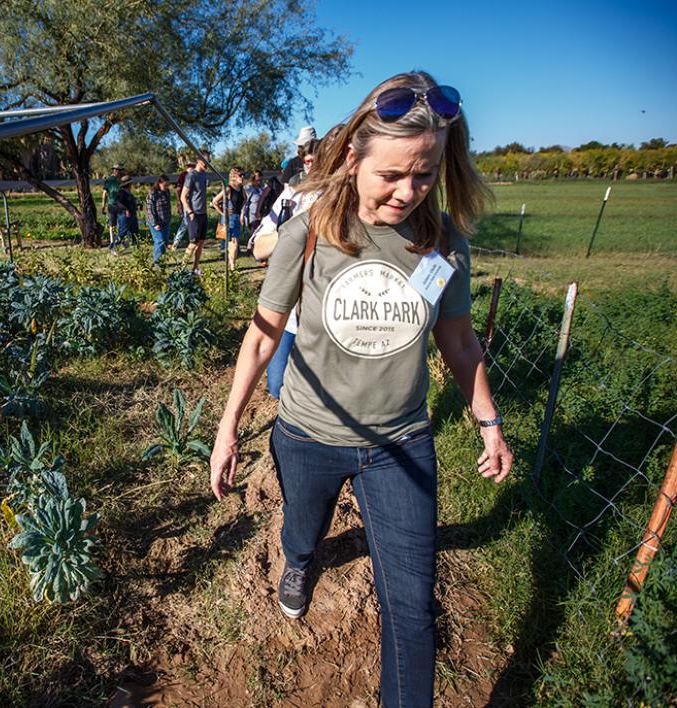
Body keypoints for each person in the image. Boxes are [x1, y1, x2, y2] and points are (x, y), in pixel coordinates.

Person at [209, 72, 513, 708]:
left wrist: (488, 419)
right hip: (307, 435)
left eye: (425, 175)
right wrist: (228, 425)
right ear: (353, 159)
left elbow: (458, 343)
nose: (408, 192)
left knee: (411, 608)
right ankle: (298, 561)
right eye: (393, 175)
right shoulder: (311, 233)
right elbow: (263, 336)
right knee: (303, 529)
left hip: (401, 446)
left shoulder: (443, 246)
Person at [247, 134, 326, 398]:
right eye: (307, 160)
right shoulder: (290, 197)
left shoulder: (344, 199)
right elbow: (258, 247)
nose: (311, 167)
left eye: (317, 160)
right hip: (287, 311)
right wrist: (296, 228)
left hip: (324, 313)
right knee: (276, 384)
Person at [211, 167, 245, 269]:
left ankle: (231, 264)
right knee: (233, 243)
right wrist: (223, 212)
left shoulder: (241, 189)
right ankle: (232, 266)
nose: (243, 177)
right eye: (240, 175)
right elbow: (215, 202)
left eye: (243, 175)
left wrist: (242, 213)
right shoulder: (228, 189)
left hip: (237, 217)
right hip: (229, 218)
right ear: (234, 176)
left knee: (233, 242)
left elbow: (244, 200)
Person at [180, 155, 209, 275]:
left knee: (201, 243)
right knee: (193, 243)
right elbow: (183, 197)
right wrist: (190, 212)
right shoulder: (191, 176)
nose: (207, 163)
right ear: (199, 161)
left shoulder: (204, 175)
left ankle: (195, 268)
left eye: (209, 161)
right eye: (205, 161)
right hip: (194, 214)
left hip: (203, 213)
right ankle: (181, 269)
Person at [147, 174, 173, 263]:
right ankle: (157, 263)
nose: (166, 187)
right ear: (159, 183)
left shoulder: (167, 192)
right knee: (159, 241)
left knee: (164, 242)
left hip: (165, 221)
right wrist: (155, 223)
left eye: (167, 185)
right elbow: (150, 210)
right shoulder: (152, 193)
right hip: (156, 222)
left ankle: (161, 260)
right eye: (165, 185)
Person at [110, 175, 139, 252]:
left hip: (132, 214)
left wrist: (137, 205)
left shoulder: (128, 192)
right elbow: (117, 202)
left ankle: (136, 248)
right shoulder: (121, 193)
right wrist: (126, 209)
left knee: (135, 231)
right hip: (124, 215)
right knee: (122, 232)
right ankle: (114, 247)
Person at [101, 163, 124, 246]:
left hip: (117, 204)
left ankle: (115, 240)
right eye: (120, 170)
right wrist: (103, 206)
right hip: (114, 204)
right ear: (115, 170)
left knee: (116, 223)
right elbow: (105, 194)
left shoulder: (117, 180)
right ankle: (112, 241)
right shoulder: (112, 180)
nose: (121, 172)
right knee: (113, 224)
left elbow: (104, 193)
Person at [242, 170, 264, 235]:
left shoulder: (261, 187)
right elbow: (245, 202)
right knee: (254, 233)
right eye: (257, 180)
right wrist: (242, 214)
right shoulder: (248, 188)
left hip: (262, 213)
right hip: (253, 214)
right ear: (253, 179)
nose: (259, 182)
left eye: (260, 180)